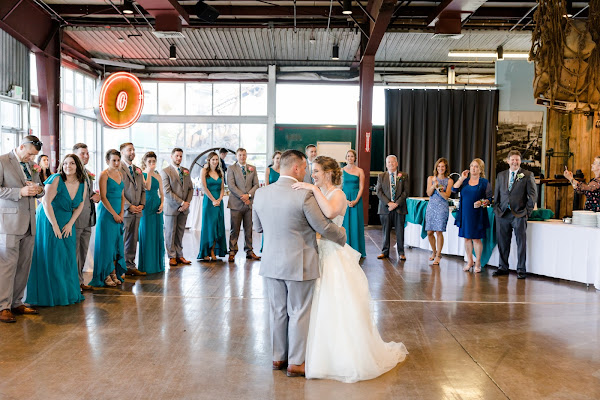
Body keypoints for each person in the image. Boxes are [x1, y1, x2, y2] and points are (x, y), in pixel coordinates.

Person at [292, 156, 408, 382]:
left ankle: (338, 357)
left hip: (332, 254)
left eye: (315, 171)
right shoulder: (317, 191)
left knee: (333, 302)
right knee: (315, 304)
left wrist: (311, 189)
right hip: (316, 252)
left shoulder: (338, 194)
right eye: (312, 171)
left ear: (327, 173)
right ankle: (313, 351)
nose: (312, 175)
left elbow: (329, 214)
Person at [252, 150, 347, 378]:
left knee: (277, 311)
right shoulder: (303, 195)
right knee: (299, 312)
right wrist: (342, 235)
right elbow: (323, 227)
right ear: (296, 168)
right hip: (299, 261)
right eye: (305, 168)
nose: (306, 172)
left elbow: (258, 228)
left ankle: (278, 358)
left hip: (272, 262)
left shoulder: (261, 194)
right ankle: (296, 363)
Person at [26, 154, 86, 306]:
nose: (68, 166)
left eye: (72, 163)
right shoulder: (56, 179)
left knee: (67, 256)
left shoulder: (83, 183)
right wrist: (54, 226)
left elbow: (80, 205)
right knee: (52, 255)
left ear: (77, 166)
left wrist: (70, 223)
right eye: (65, 163)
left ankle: (64, 293)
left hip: (67, 221)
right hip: (49, 219)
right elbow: (45, 203)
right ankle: (49, 295)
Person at [0, 136, 45, 323]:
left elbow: (41, 189)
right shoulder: (3, 161)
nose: (31, 159)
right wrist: (19, 192)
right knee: (7, 266)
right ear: (21, 146)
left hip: (30, 223)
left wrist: (37, 189)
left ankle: (17, 302)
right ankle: (3, 306)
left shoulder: (32, 166)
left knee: (24, 265)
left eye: (34, 156)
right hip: (9, 223)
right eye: (29, 154)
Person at [493, 150, 537, 279]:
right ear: (508, 161)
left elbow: (533, 195)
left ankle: (521, 270)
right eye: (512, 159)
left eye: (517, 159)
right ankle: (502, 267)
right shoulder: (501, 175)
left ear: (520, 161)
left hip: (519, 214)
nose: (515, 162)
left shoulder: (527, 175)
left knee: (521, 243)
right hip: (502, 214)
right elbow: (497, 194)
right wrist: (496, 209)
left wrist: (527, 212)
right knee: (502, 242)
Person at [89, 149, 126, 287]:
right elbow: (103, 197)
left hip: (118, 212)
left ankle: (114, 272)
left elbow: (122, 196)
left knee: (116, 245)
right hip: (107, 214)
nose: (116, 163)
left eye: (118, 160)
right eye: (113, 160)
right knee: (107, 245)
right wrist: (114, 214)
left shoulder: (120, 174)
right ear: (107, 161)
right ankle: (106, 274)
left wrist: (121, 213)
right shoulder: (103, 175)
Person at [452, 158, 493, 273]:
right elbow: (454, 189)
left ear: (480, 169)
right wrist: (461, 178)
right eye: (472, 166)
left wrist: (482, 202)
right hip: (465, 213)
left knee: (476, 239)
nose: (473, 168)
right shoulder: (465, 181)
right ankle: (470, 261)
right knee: (466, 238)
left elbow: (489, 199)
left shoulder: (484, 182)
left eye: (476, 166)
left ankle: (478, 262)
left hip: (477, 214)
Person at [73, 143, 100, 292]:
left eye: (87, 153)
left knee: (83, 251)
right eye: (82, 153)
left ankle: (80, 281)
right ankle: (75, 283)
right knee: (75, 252)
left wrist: (94, 196)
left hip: (88, 218)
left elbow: (87, 193)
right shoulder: (71, 173)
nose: (86, 156)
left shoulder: (88, 172)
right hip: (76, 219)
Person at [161, 148, 194, 267]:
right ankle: (171, 256)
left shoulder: (186, 171)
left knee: (180, 233)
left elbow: (191, 188)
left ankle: (180, 255)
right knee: (170, 233)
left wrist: (187, 203)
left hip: (184, 208)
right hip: (171, 207)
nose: (179, 158)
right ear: (171, 156)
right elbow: (167, 191)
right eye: (177, 156)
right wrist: (181, 203)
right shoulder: (165, 171)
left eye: (180, 156)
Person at [226, 148, 260, 262]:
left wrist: (248, 196)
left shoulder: (252, 169)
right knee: (234, 229)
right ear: (236, 156)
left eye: (244, 155)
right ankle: (232, 251)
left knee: (249, 228)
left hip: (249, 204)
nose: (242, 157)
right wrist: (243, 196)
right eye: (240, 155)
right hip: (236, 203)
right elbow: (231, 185)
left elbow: (256, 185)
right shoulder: (231, 168)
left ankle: (249, 251)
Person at [119, 142, 146, 277]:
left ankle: (130, 265)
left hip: (137, 210)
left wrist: (142, 204)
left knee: (133, 239)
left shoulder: (137, 170)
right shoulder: (118, 168)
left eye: (134, 150)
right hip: (125, 210)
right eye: (129, 150)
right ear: (122, 152)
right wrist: (129, 206)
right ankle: (120, 267)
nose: (132, 152)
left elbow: (142, 189)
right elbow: (119, 191)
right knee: (123, 239)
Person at [376, 155, 409, 261]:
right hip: (386, 208)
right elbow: (379, 191)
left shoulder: (403, 175)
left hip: (399, 208)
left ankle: (401, 253)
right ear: (386, 164)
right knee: (385, 231)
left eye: (393, 162)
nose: (391, 164)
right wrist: (389, 203)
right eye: (389, 162)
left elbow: (406, 192)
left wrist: (396, 203)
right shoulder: (381, 176)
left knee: (400, 231)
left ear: (397, 163)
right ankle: (384, 252)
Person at [138, 152, 165, 274]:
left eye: (153, 161)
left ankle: (156, 264)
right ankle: (146, 265)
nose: (152, 164)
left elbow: (162, 193)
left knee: (156, 234)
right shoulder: (142, 174)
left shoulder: (158, 175)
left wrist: (162, 203)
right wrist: (149, 172)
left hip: (156, 206)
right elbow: (147, 187)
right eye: (149, 162)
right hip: (146, 206)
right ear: (145, 162)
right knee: (147, 234)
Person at [198, 151, 227, 262]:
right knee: (209, 226)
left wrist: (219, 199)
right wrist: (213, 200)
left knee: (217, 225)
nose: (215, 161)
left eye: (216, 159)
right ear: (209, 160)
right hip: (209, 202)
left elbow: (222, 188)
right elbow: (204, 188)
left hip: (219, 202)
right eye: (213, 159)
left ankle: (214, 250)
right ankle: (206, 251)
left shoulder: (220, 172)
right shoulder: (204, 171)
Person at [425, 158, 454, 265]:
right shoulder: (431, 178)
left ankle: (438, 255)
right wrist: (434, 185)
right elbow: (428, 193)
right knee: (429, 232)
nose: (440, 168)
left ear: (446, 168)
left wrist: (439, 188)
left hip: (442, 207)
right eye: (439, 166)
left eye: (443, 166)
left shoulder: (449, 181)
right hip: (431, 206)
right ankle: (434, 251)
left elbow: (446, 196)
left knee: (438, 231)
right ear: (436, 168)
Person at [342, 149, 366, 258]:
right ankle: (345, 249)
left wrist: (356, 200)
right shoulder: (341, 170)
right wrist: (345, 201)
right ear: (346, 158)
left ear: (355, 158)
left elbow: (362, 187)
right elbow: (339, 187)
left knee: (356, 223)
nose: (350, 158)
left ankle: (357, 250)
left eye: (352, 156)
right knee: (345, 223)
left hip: (356, 199)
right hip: (345, 199)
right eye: (348, 156)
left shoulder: (360, 171)